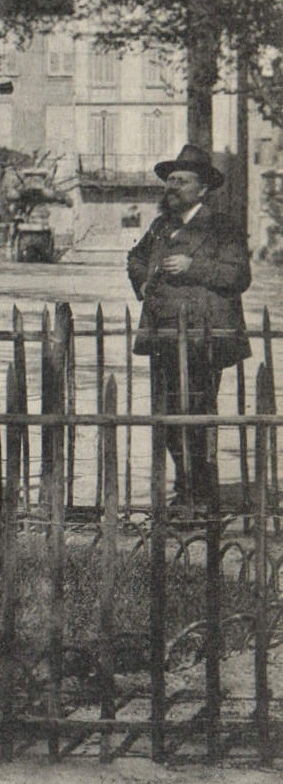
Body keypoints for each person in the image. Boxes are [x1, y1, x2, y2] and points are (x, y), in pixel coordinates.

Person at [127, 142, 251, 509]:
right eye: (170, 180)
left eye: (182, 181)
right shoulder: (160, 226)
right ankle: (185, 491)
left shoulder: (223, 227)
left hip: (204, 337)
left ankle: (202, 495)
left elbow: (239, 275)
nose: (172, 187)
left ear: (203, 188)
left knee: (197, 416)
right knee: (167, 417)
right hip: (164, 334)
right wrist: (144, 282)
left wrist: (192, 267)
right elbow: (134, 258)